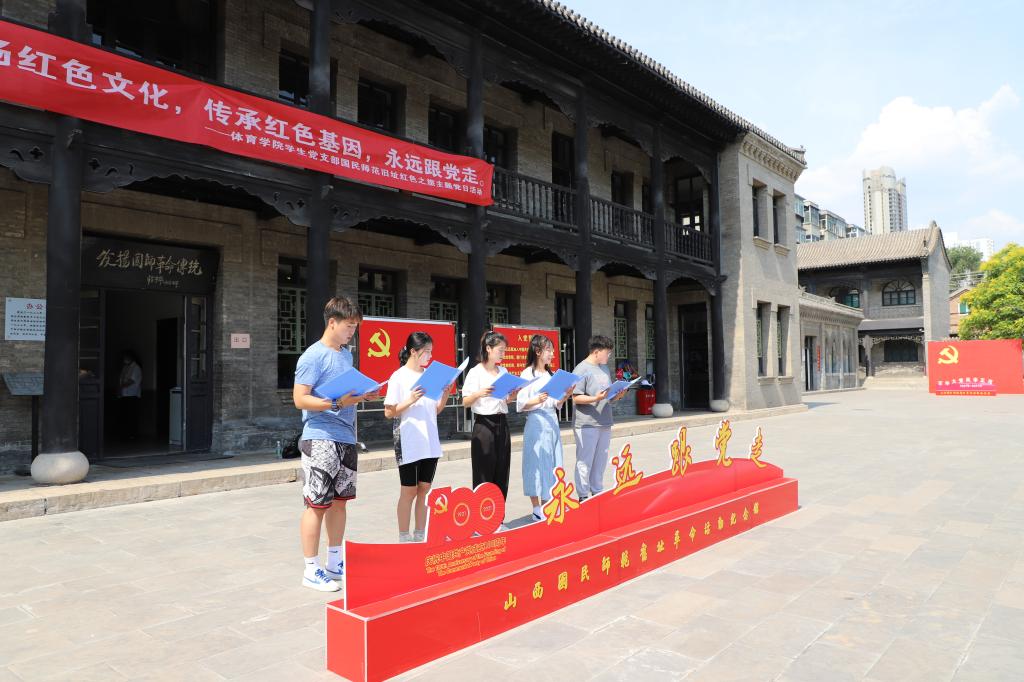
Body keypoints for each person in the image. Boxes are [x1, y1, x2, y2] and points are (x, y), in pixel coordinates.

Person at [292, 296, 377, 592]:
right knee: (317, 504)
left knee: (340, 503)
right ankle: (311, 568)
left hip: (346, 437)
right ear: (332, 322)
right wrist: (338, 403)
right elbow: (299, 398)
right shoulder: (313, 356)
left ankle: (335, 560)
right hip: (320, 437)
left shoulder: (345, 356)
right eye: (349, 326)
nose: (353, 332)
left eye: (355, 327)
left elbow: (345, 396)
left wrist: (363, 395)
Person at [383, 332, 453, 543]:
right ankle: (404, 536)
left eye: (431, 352)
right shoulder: (399, 377)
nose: (430, 356)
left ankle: (420, 533)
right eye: (427, 352)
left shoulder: (430, 376)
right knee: (409, 491)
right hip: (409, 440)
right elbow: (389, 412)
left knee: (424, 489)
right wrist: (411, 399)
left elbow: (435, 409)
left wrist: (445, 394)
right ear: (413, 352)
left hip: (429, 441)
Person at [517, 335, 574, 521]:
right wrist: (537, 400)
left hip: (552, 420)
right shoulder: (527, 374)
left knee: (553, 462)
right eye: (548, 350)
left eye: (552, 350)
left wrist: (566, 395)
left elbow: (556, 403)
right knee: (535, 464)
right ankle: (536, 507)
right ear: (537, 351)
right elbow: (521, 404)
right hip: (536, 421)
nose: (552, 354)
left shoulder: (551, 374)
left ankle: (549, 502)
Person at [463, 331, 517, 504]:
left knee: (502, 469)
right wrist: (479, 393)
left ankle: (498, 513)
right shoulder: (475, 372)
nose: (503, 354)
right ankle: (482, 514)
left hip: (502, 423)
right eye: (500, 350)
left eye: (504, 350)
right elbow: (466, 402)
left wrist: (513, 395)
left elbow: (505, 400)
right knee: (484, 471)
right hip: (484, 425)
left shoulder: (503, 371)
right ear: (488, 348)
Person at [571, 335, 626, 500]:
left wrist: (618, 395)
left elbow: (607, 396)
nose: (609, 356)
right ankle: (583, 496)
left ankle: (597, 492)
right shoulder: (581, 369)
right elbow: (575, 398)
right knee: (585, 461)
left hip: (604, 421)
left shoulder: (604, 369)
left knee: (601, 460)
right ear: (596, 352)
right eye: (607, 353)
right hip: (587, 423)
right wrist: (596, 398)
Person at [117, 350, 142, 440]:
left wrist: (121, 387)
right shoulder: (125, 367)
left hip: (132, 395)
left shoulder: (136, 368)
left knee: (131, 415)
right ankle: (125, 434)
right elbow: (122, 379)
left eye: (126, 357)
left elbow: (131, 381)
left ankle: (132, 435)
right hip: (124, 394)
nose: (124, 359)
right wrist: (120, 389)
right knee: (125, 415)